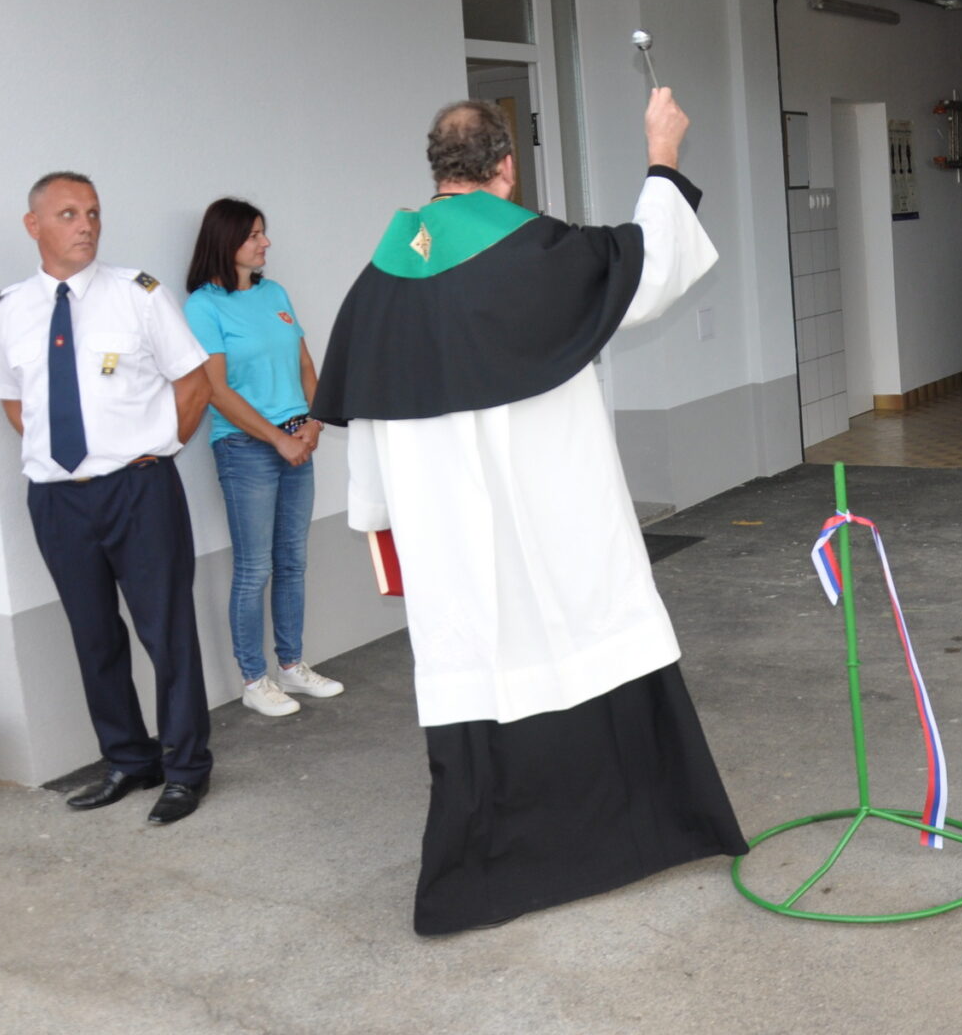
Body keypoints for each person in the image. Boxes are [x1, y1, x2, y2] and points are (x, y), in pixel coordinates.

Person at [312, 87, 746, 936]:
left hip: (449, 540)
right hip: (554, 514)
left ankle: (483, 875)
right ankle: (631, 833)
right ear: (506, 168)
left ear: (437, 171)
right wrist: (662, 154)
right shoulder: (536, 252)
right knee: (583, 622)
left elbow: (363, 418)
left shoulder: (379, 281)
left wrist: (378, 519)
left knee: (477, 657)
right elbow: (649, 268)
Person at [0, 172, 215, 826]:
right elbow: (13, 401)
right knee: (94, 637)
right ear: (33, 226)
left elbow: (195, 383)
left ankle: (186, 770)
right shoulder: (7, 310)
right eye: (68, 214)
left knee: (167, 633)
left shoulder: (137, 295)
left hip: (138, 491)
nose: (85, 225)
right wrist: (65, 457)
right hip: (58, 500)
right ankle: (129, 759)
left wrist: (155, 448)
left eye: (92, 213)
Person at [183, 199, 342, 717]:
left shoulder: (275, 293)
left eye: (263, 233)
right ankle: (254, 679)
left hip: (299, 438)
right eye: (254, 235)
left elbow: (305, 365)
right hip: (246, 448)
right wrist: (279, 439)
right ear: (225, 240)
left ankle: (291, 666)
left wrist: (315, 421)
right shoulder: (203, 306)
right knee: (254, 568)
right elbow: (216, 390)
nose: (265, 242)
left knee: (292, 561)